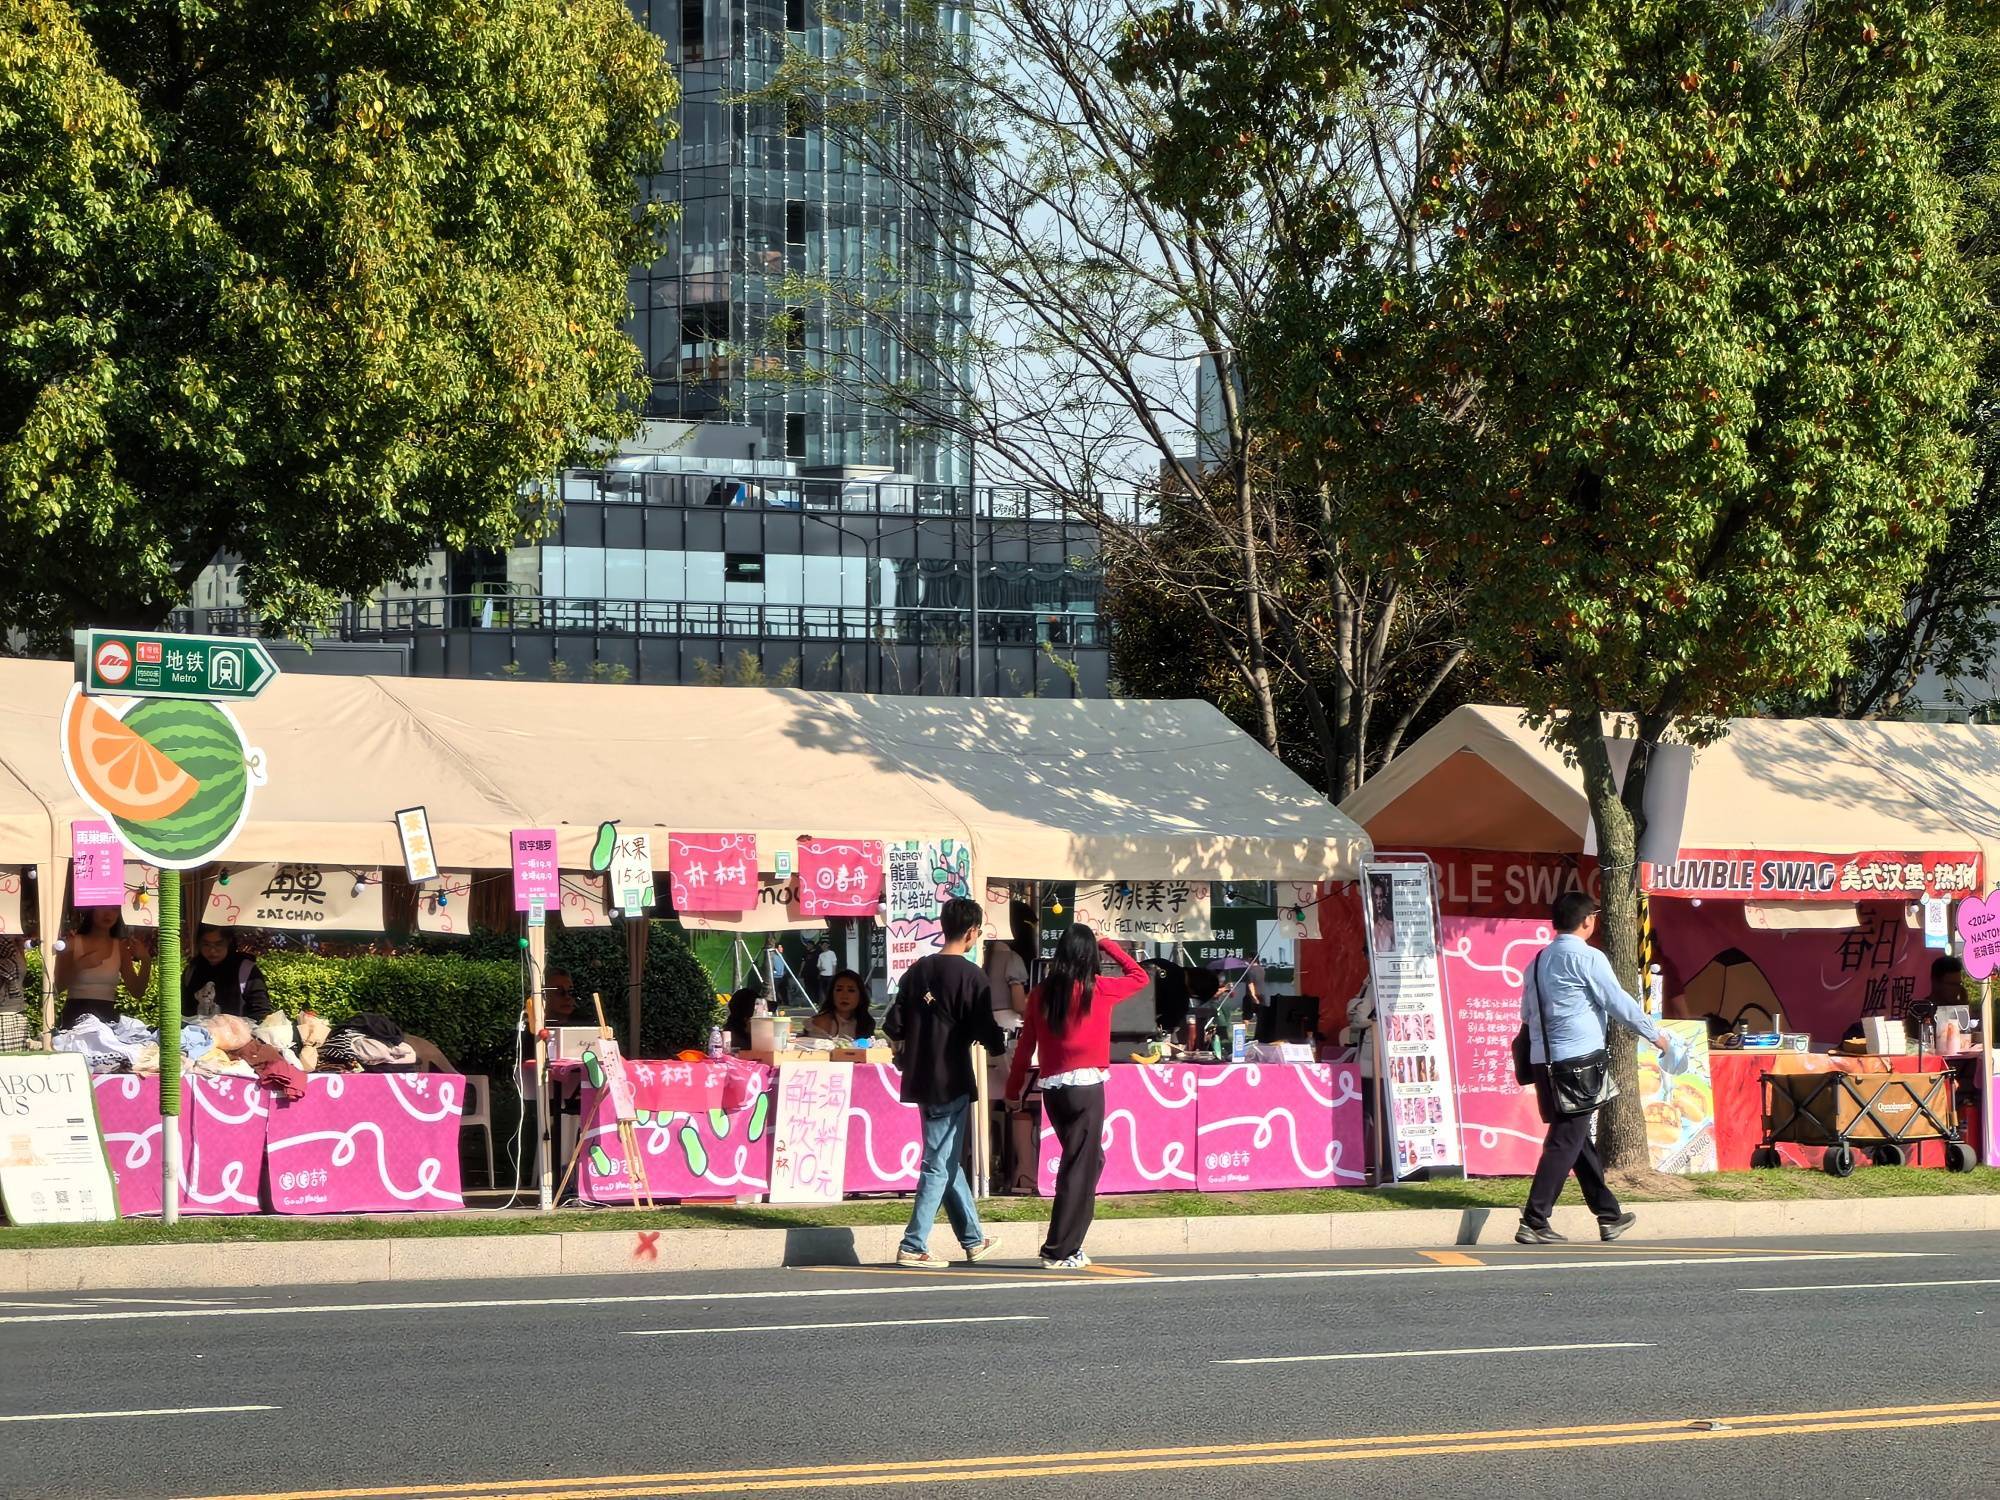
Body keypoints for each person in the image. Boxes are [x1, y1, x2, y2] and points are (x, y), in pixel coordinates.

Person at [1517, 891, 1671, 1245]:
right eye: (1594, 918)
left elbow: (1526, 1015)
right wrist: (1656, 1036)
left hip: (1545, 1062)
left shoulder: (1538, 960)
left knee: (1576, 1137)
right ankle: (1535, 1220)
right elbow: (1618, 1001)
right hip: (1578, 1063)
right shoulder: (1588, 958)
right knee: (1565, 1140)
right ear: (1587, 920)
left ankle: (1609, 1214)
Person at [1005, 925, 1149, 1269]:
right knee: (1080, 1167)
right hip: (1087, 1087)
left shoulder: (1041, 993)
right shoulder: (1098, 988)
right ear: (1089, 956)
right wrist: (1107, 943)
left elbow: (1026, 1046)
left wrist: (1014, 1090)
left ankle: (1068, 1244)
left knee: (1088, 1161)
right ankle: (1059, 1249)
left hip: (1054, 1089)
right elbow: (1139, 975)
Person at [881, 897, 1005, 1269]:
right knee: (938, 1161)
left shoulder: (918, 970)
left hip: (919, 1075)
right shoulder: (972, 976)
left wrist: (904, 1050)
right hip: (950, 1077)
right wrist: (1001, 1049)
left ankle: (973, 1238)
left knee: (947, 1157)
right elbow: (988, 1031)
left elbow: (893, 1025)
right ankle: (913, 1243)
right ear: (972, 932)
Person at [55, 907, 151, 1028]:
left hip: (106, 1017)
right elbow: (56, 987)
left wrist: (146, 960)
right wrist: (79, 966)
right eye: (102, 908)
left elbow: (137, 991)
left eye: (114, 909)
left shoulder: (120, 948)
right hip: (76, 1016)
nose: (108, 913)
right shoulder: (72, 944)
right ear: (92, 910)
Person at [183, 926, 273, 1020]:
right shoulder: (191, 970)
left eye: (218, 944)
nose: (212, 950)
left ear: (229, 942)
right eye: (206, 944)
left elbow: (261, 1013)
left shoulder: (246, 970)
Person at [1906, 955, 1964, 1044]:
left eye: (1958, 984)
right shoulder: (1920, 1012)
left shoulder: (1960, 1010)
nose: (1956, 989)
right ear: (1935, 982)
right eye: (1952, 984)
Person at [807, 968, 874, 1041]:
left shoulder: (865, 1022)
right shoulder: (821, 1023)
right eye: (839, 990)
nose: (844, 996)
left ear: (860, 995)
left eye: (851, 990)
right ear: (832, 994)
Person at [815, 938, 839, 1009]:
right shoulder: (821, 955)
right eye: (823, 945)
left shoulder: (832, 953)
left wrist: (833, 973)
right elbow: (818, 965)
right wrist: (820, 969)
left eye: (826, 945)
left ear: (828, 945)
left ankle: (832, 1004)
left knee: (830, 990)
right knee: (822, 991)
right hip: (823, 975)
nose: (824, 946)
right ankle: (823, 1005)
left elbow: (834, 963)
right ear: (821, 946)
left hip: (830, 975)